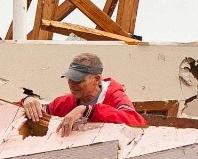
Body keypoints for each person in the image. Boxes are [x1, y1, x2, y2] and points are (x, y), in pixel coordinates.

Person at [20, 52, 148, 134]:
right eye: (69, 79)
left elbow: (137, 122)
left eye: (78, 80)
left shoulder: (115, 96)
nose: (72, 84)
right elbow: (31, 112)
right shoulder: (64, 102)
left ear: (96, 79)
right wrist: (27, 101)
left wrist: (88, 110)